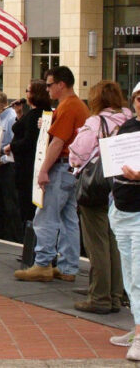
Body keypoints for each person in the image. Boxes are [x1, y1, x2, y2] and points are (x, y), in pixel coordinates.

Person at [15, 66, 90, 282]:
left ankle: (43, 263)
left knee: (46, 215)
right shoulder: (76, 106)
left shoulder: (68, 107)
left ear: (61, 85)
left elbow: (58, 142)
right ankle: (68, 267)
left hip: (61, 166)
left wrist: (44, 170)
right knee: (68, 220)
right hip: (72, 169)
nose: (46, 89)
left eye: (49, 85)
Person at [68, 80, 131, 314]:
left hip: (97, 187)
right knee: (114, 242)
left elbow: (77, 154)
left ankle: (100, 297)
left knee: (97, 244)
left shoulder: (96, 121)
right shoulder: (128, 118)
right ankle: (116, 295)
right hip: (122, 186)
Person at [108, 81, 140, 360]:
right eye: (138, 97)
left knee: (139, 277)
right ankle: (137, 326)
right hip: (121, 207)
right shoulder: (129, 126)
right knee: (130, 277)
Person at [4, 80, 51, 226]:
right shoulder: (32, 113)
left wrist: (12, 146)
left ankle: (29, 230)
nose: (26, 93)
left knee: (27, 201)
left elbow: (29, 140)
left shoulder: (37, 115)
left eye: (28, 91)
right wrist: (19, 113)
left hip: (27, 164)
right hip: (24, 163)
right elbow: (21, 128)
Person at [0, 90, 22, 242]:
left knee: (10, 202)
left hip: (6, 164)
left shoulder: (11, 117)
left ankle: (13, 235)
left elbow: (13, 144)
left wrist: (0, 160)